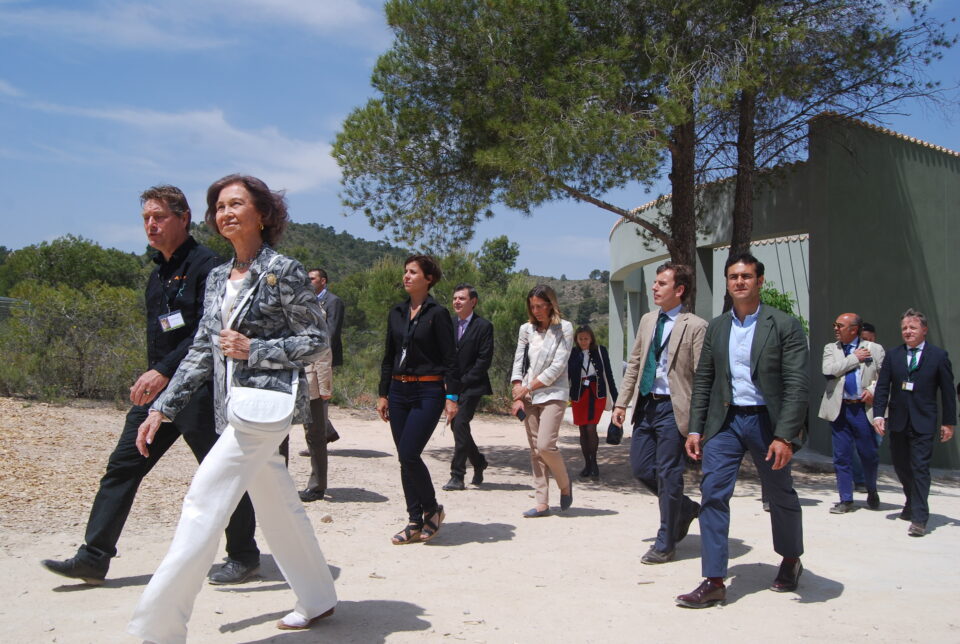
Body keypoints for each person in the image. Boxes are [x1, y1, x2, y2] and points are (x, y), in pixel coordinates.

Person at [127, 175, 336, 641]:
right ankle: (319, 597)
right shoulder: (220, 276)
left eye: (236, 204)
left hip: (263, 411)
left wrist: (253, 348)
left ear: (262, 213)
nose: (225, 213)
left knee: (203, 503)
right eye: (219, 206)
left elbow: (316, 340)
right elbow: (203, 348)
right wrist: (162, 408)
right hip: (231, 409)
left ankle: (156, 630)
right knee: (280, 505)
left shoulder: (284, 270)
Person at [40, 185, 260, 587]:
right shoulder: (157, 274)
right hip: (158, 396)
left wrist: (162, 370)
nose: (151, 225)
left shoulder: (209, 267)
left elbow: (206, 333)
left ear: (184, 218)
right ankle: (94, 556)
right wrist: (155, 377)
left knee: (219, 473)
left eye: (159, 217)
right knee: (123, 466)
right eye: (146, 218)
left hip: (198, 391)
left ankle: (244, 555)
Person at [677, 253, 808, 609]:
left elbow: (797, 384)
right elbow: (705, 379)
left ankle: (791, 558)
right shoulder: (718, 327)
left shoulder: (784, 325)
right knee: (713, 493)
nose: (739, 282)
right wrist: (695, 429)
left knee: (780, 494)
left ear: (760, 281)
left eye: (746, 276)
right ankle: (715, 579)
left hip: (769, 423)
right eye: (733, 276)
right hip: (726, 423)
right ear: (727, 282)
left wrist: (785, 436)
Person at [612, 262, 706, 564]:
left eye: (661, 283)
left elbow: (703, 377)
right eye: (654, 283)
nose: (654, 287)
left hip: (675, 409)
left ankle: (665, 542)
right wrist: (621, 403)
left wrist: (699, 423)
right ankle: (685, 507)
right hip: (647, 405)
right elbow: (636, 363)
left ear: (679, 290)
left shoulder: (695, 326)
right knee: (641, 468)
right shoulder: (648, 320)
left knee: (669, 474)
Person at [377, 255, 460, 544]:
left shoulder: (438, 314)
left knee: (409, 452)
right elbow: (388, 356)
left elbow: (451, 359)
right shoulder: (396, 312)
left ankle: (432, 509)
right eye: (405, 271)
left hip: (428, 390)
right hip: (398, 392)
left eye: (413, 272)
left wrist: (452, 396)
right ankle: (414, 520)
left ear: (429, 279)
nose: (406, 276)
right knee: (404, 458)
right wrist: (382, 393)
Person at [872, 308, 956, 537]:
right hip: (899, 421)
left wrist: (949, 422)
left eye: (913, 327)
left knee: (920, 468)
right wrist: (878, 415)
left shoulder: (939, 356)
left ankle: (919, 517)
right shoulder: (893, 355)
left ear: (924, 330)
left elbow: (948, 392)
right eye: (904, 328)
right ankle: (911, 500)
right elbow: (882, 388)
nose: (908, 332)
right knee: (900, 465)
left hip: (924, 421)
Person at [510, 285, 574, 518]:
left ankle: (565, 484)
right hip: (528, 396)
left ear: (550, 304)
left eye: (540, 306)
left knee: (546, 445)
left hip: (554, 393)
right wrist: (518, 389)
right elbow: (519, 360)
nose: (536, 310)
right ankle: (542, 502)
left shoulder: (564, 328)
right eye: (532, 306)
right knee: (535, 450)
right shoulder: (526, 329)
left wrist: (529, 386)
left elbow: (559, 365)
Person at [818, 312, 885, 513]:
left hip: (862, 410)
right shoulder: (831, 348)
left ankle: (871, 489)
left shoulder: (875, 349)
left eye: (839, 325)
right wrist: (854, 358)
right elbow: (829, 370)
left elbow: (884, 377)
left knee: (868, 454)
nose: (835, 329)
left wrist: (873, 391)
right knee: (841, 456)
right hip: (840, 409)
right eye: (835, 325)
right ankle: (846, 499)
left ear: (854, 329)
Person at [442, 284, 493, 491]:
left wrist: (461, 382)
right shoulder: (448, 324)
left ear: (473, 302)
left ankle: (457, 475)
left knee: (460, 422)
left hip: (473, 385)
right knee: (458, 426)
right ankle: (479, 461)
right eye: (455, 298)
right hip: (450, 385)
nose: (456, 301)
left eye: (461, 298)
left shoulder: (484, 326)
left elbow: (483, 361)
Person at [568, 325, 618, 479]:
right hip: (579, 394)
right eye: (581, 339)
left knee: (591, 427)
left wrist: (617, 400)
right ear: (576, 339)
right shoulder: (572, 353)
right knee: (582, 430)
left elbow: (608, 374)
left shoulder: (600, 351)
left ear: (591, 339)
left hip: (596, 393)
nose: (584, 341)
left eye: (586, 338)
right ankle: (587, 464)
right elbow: (567, 375)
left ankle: (594, 462)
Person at [299, 330, 334, 503]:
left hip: (310, 382)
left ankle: (317, 486)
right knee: (278, 435)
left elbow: (323, 350)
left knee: (316, 435)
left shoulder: (312, 308)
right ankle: (279, 483)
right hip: (282, 379)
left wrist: (325, 386)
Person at [312, 268, 344, 444]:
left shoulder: (333, 301)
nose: (308, 282)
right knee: (312, 397)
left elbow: (332, 331)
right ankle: (326, 432)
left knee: (320, 398)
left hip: (324, 356)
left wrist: (324, 357)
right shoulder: (307, 301)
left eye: (312, 279)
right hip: (308, 357)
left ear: (323, 281)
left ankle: (319, 438)